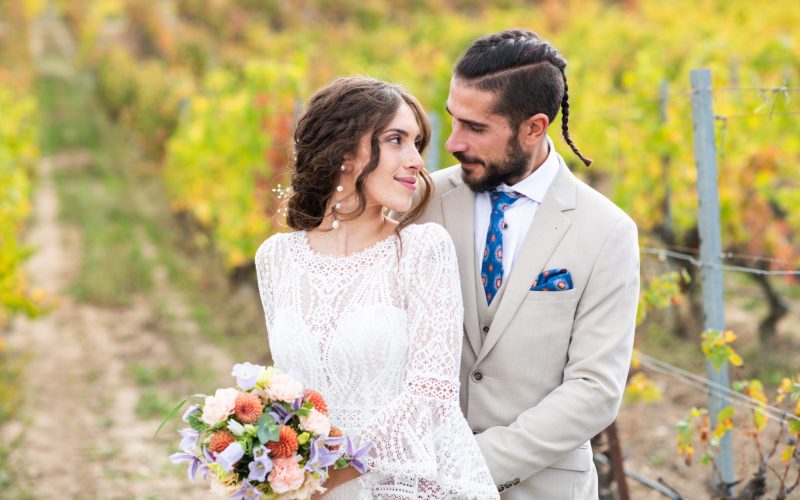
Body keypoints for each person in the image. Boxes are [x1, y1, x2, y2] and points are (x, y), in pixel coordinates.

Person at [418, 30, 640, 498]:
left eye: (476, 128)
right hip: (420, 480)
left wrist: (472, 465)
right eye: (452, 120)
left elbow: (595, 389)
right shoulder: (423, 201)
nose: (453, 142)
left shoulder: (607, 231)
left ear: (534, 128)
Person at [254, 77, 499, 499]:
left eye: (416, 144)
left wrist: (327, 478)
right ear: (343, 151)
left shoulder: (421, 249)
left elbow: (430, 394)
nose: (416, 162)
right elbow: (289, 395)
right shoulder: (276, 259)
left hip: (399, 486)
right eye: (396, 140)